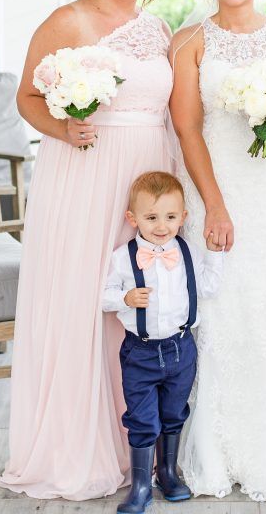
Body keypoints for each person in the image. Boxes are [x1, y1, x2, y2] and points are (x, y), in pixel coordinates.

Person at [0, 0, 173, 501]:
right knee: (84, 295)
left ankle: (136, 444)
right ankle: (77, 443)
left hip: (147, 170)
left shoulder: (159, 29)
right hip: (86, 171)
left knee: (143, 299)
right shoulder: (66, 20)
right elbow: (27, 97)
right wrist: (64, 130)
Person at [169, 0, 266, 504]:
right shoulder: (190, 40)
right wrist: (215, 206)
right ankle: (212, 455)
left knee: (262, 307)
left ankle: (263, 453)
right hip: (212, 189)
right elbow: (185, 125)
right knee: (219, 313)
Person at [102, 171, 224, 513]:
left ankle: (168, 473)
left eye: (170, 217)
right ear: (133, 218)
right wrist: (125, 297)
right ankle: (141, 486)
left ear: (183, 217)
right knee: (141, 418)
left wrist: (216, 255)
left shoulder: (189, 252)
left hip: (180, 349)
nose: (161, 225)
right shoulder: (122, 257)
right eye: (151, 217)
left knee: (173, 413)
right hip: (139, 352)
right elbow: (102, 295)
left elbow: (209, 288)